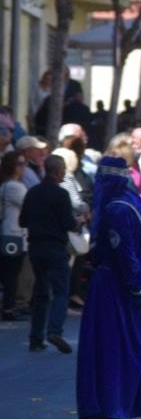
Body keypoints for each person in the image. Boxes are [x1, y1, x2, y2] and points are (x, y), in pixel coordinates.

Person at [74, 158, 141, 419]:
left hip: (113, 284)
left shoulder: (114, 209)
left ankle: (103, 405)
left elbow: (123, 251)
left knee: (107, 345)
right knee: (139, 345)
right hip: (134, 283)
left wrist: (134, 282)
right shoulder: (138, 203)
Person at [19, 154, 76, 354]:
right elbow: (69, 223)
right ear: (58, 171)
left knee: (41, 292)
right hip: (55, 246)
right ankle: (55, 330)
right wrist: (79, 220)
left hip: (36, 247)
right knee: (61, 290)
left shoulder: (33, 192)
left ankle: (36, 338)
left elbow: (22, 221)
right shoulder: (61, 195)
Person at [0, 152, 29, 321]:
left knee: (9, 273)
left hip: (9, 232)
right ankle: (9, 308)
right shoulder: (14, 187)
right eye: (20, 163)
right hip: (13, 234)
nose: (24, 166)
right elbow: (29, 206)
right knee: (11, 274)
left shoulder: (6, 186)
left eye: (24, 163)